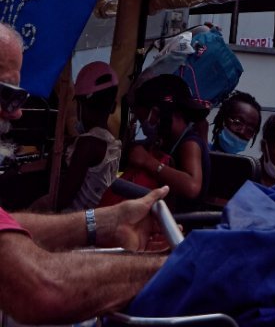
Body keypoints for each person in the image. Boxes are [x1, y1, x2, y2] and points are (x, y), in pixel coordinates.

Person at [0, 22, 168, 323]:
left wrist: (107, 221)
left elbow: (7, 227)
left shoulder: (94, 142)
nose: (16, 112)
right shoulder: (102, 142)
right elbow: (46, 289)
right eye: (6, 95)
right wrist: (179, 264)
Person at [123, 73, 210, 211]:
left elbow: (192, 187)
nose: (144, 126)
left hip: (179, 226)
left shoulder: (190, 144)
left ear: (157, 114)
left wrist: (147, 161)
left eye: (142, 119)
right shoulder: (169, 140)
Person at [56, 60, 122, 210]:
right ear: (112, 107)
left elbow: (63, 200)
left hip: (73, 222)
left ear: (81, 107)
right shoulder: (112, 143)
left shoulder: (86, 145)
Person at [210, 90, 262, 155]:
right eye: (237, 122)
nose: (242, 131)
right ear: (223, 119)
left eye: (250, 130)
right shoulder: (199, 151)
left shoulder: (244, 164)